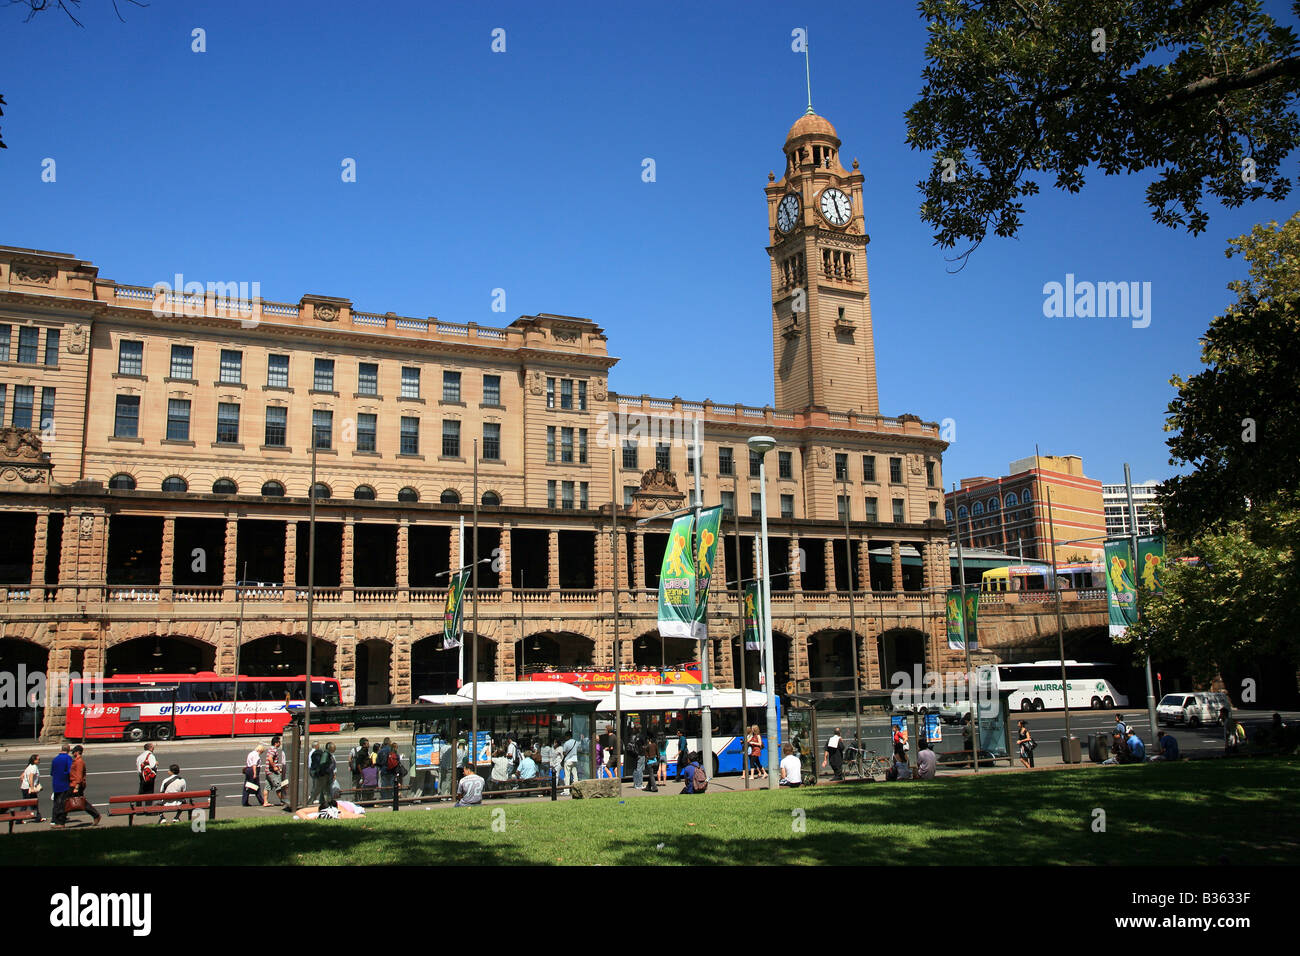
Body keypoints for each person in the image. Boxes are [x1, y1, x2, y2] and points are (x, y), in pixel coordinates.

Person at [66, 745, 102, 825]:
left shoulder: (79, 762)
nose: (73, 753)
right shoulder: (76, 760)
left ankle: (60, 820)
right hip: (74, 784)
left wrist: (77, 787)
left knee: (67, 801)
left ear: (78, 752)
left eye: (74, 751)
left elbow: (79, 775)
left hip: (75, 785)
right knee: (81, 802)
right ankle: (96, 815)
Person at [50, 743, 71, 827]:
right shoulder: (68, 758)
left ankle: (53, 819)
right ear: (68, 750)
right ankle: (60, 820)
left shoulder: (55, 759)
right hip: (64, 784)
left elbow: (52, 772)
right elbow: (70, 771)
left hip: (56, 784)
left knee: (56, 802)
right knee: (63, 803)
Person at [18, 754, 42, 823]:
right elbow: (31, 777)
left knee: (26, 804)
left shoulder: (29, 766)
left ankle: (19, 819)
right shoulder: (34, 767)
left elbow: (21, 777)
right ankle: (37, 818)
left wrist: (25, 783)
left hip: (24, 788)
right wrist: (31, 787)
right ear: (34, 760)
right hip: (29, 789)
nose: (39, 761)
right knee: (33, 803)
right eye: (38, 759)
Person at [263, 735, 286, 806]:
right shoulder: (274, 750)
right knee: (278, 786)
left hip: (268, 771)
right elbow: (270, 758)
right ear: (276, 743)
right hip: (272, 772)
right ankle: (283, 801)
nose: (280, 743)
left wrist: (278, 768)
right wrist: (274, 767)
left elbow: (272, 760)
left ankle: (265, 802)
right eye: (279, 742)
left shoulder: (270, 749)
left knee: (267, 787)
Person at [630, 724, 647, 789]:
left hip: (635, 754)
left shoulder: (633, 736)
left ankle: (635, 783)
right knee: (640, 769)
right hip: (641, 754)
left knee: (636, 769)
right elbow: (644, 745)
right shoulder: (641, 736)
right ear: (640, 729)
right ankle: (639, 785)